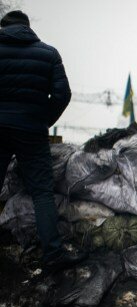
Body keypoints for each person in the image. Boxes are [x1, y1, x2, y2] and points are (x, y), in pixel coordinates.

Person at [0, 10, 86, 271]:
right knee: (42, 192)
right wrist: (42, 120)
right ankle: (53, 254)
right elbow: (63, 94)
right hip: (31, 129)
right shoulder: (48, 53)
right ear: (28, 28)